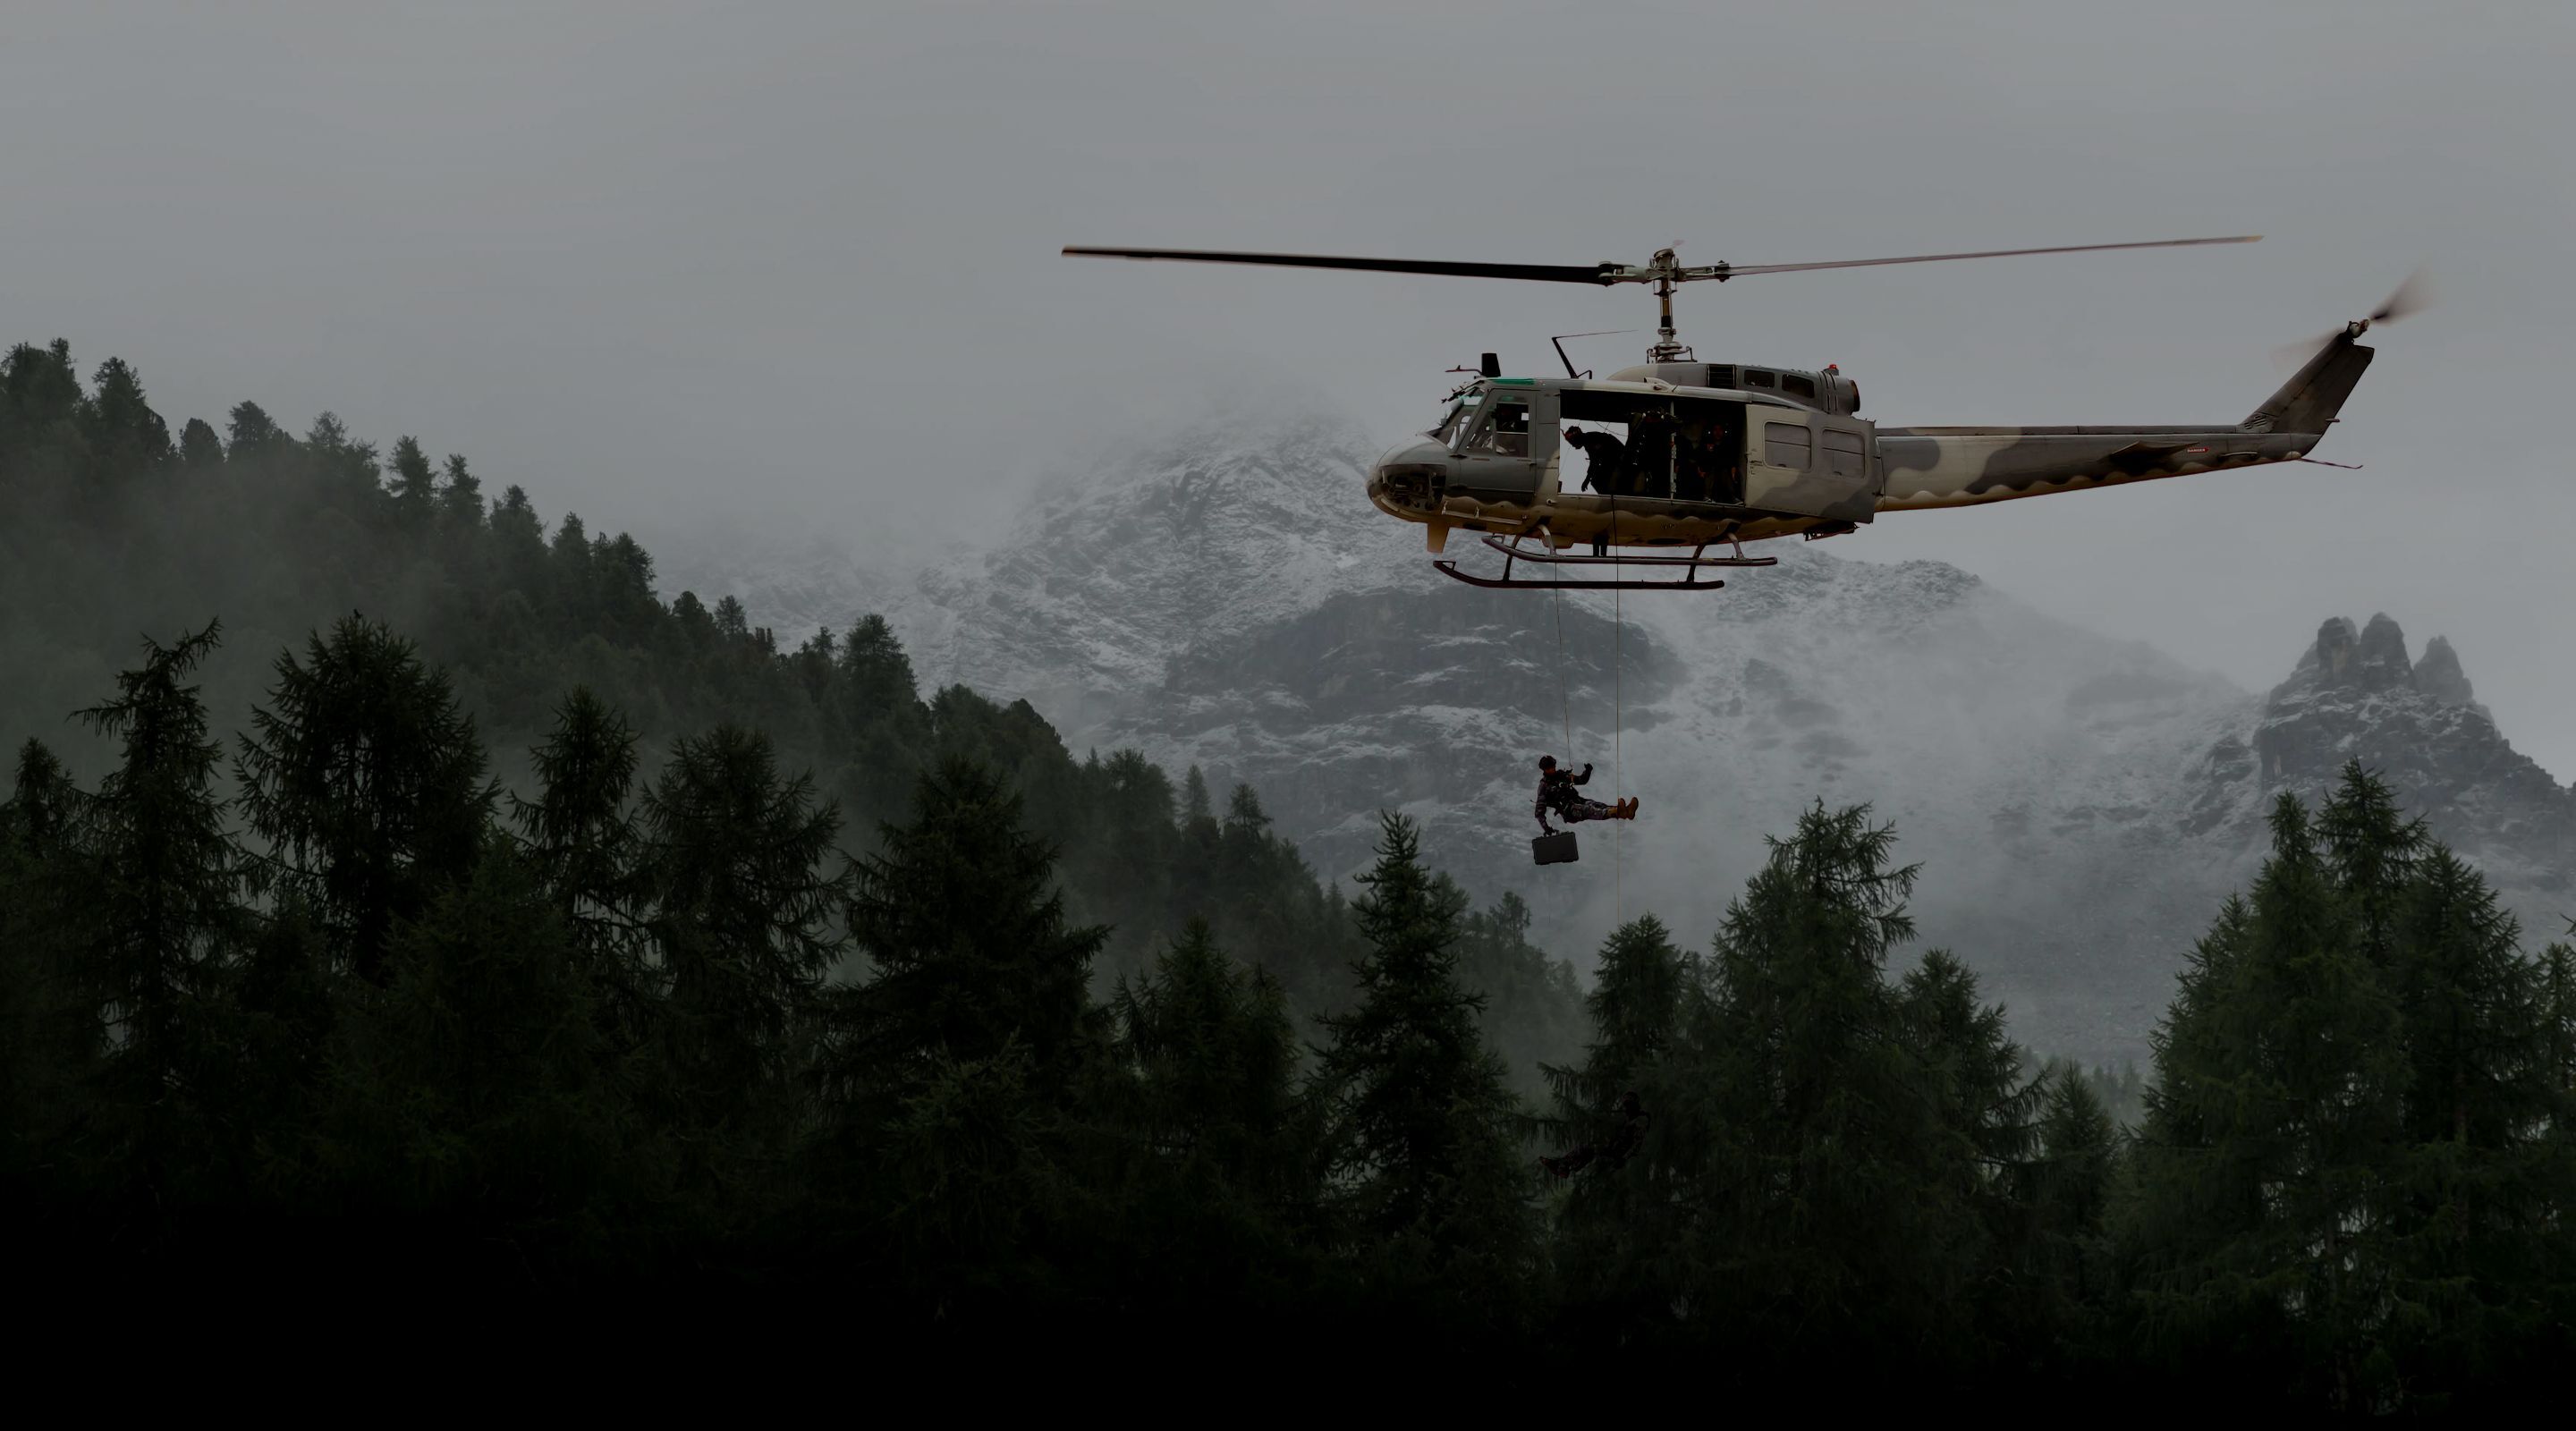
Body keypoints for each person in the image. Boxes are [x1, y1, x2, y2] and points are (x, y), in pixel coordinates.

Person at [1540, 1089, 1648, 1178]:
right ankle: (1564, 1166)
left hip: (1619, 1152)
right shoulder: (1629, 1119)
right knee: (1587, 1150)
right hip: (1616, 1149)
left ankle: (1563, 1166)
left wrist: (1624, 1159)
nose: (1626, 1108)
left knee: (1586, 1149)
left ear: (1634, 1105)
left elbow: (1637, 1144)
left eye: (1628, 1104)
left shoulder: (1639, 1120)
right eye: (1625, 1105)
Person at [1534, 754, 1636, 834]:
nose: (1552, 769)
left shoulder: (1562, 776)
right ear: (1544, 770)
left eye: (1553, 766)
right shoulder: (1544, 786)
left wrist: (1587, 771)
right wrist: (1546, 828)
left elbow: (1581, 780)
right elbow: (1539, 812)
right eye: (1549, 768)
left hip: (1578, 801)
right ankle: (1618, 811)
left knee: (1597, 805)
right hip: (1568, 811)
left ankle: (1626, 812)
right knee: (1589, 809)